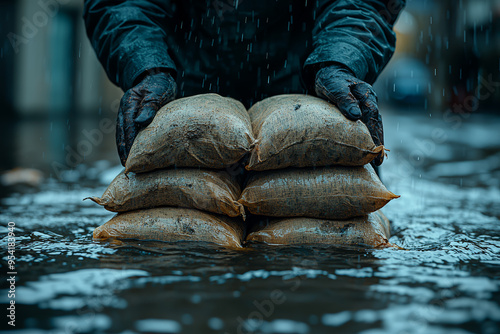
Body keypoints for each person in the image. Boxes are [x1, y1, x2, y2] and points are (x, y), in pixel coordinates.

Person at [84, 0, 406, 166]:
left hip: (309, 84)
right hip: (185, 89)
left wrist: (340, 60)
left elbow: (361, 4)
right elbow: (125, 4)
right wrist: (147, 66)